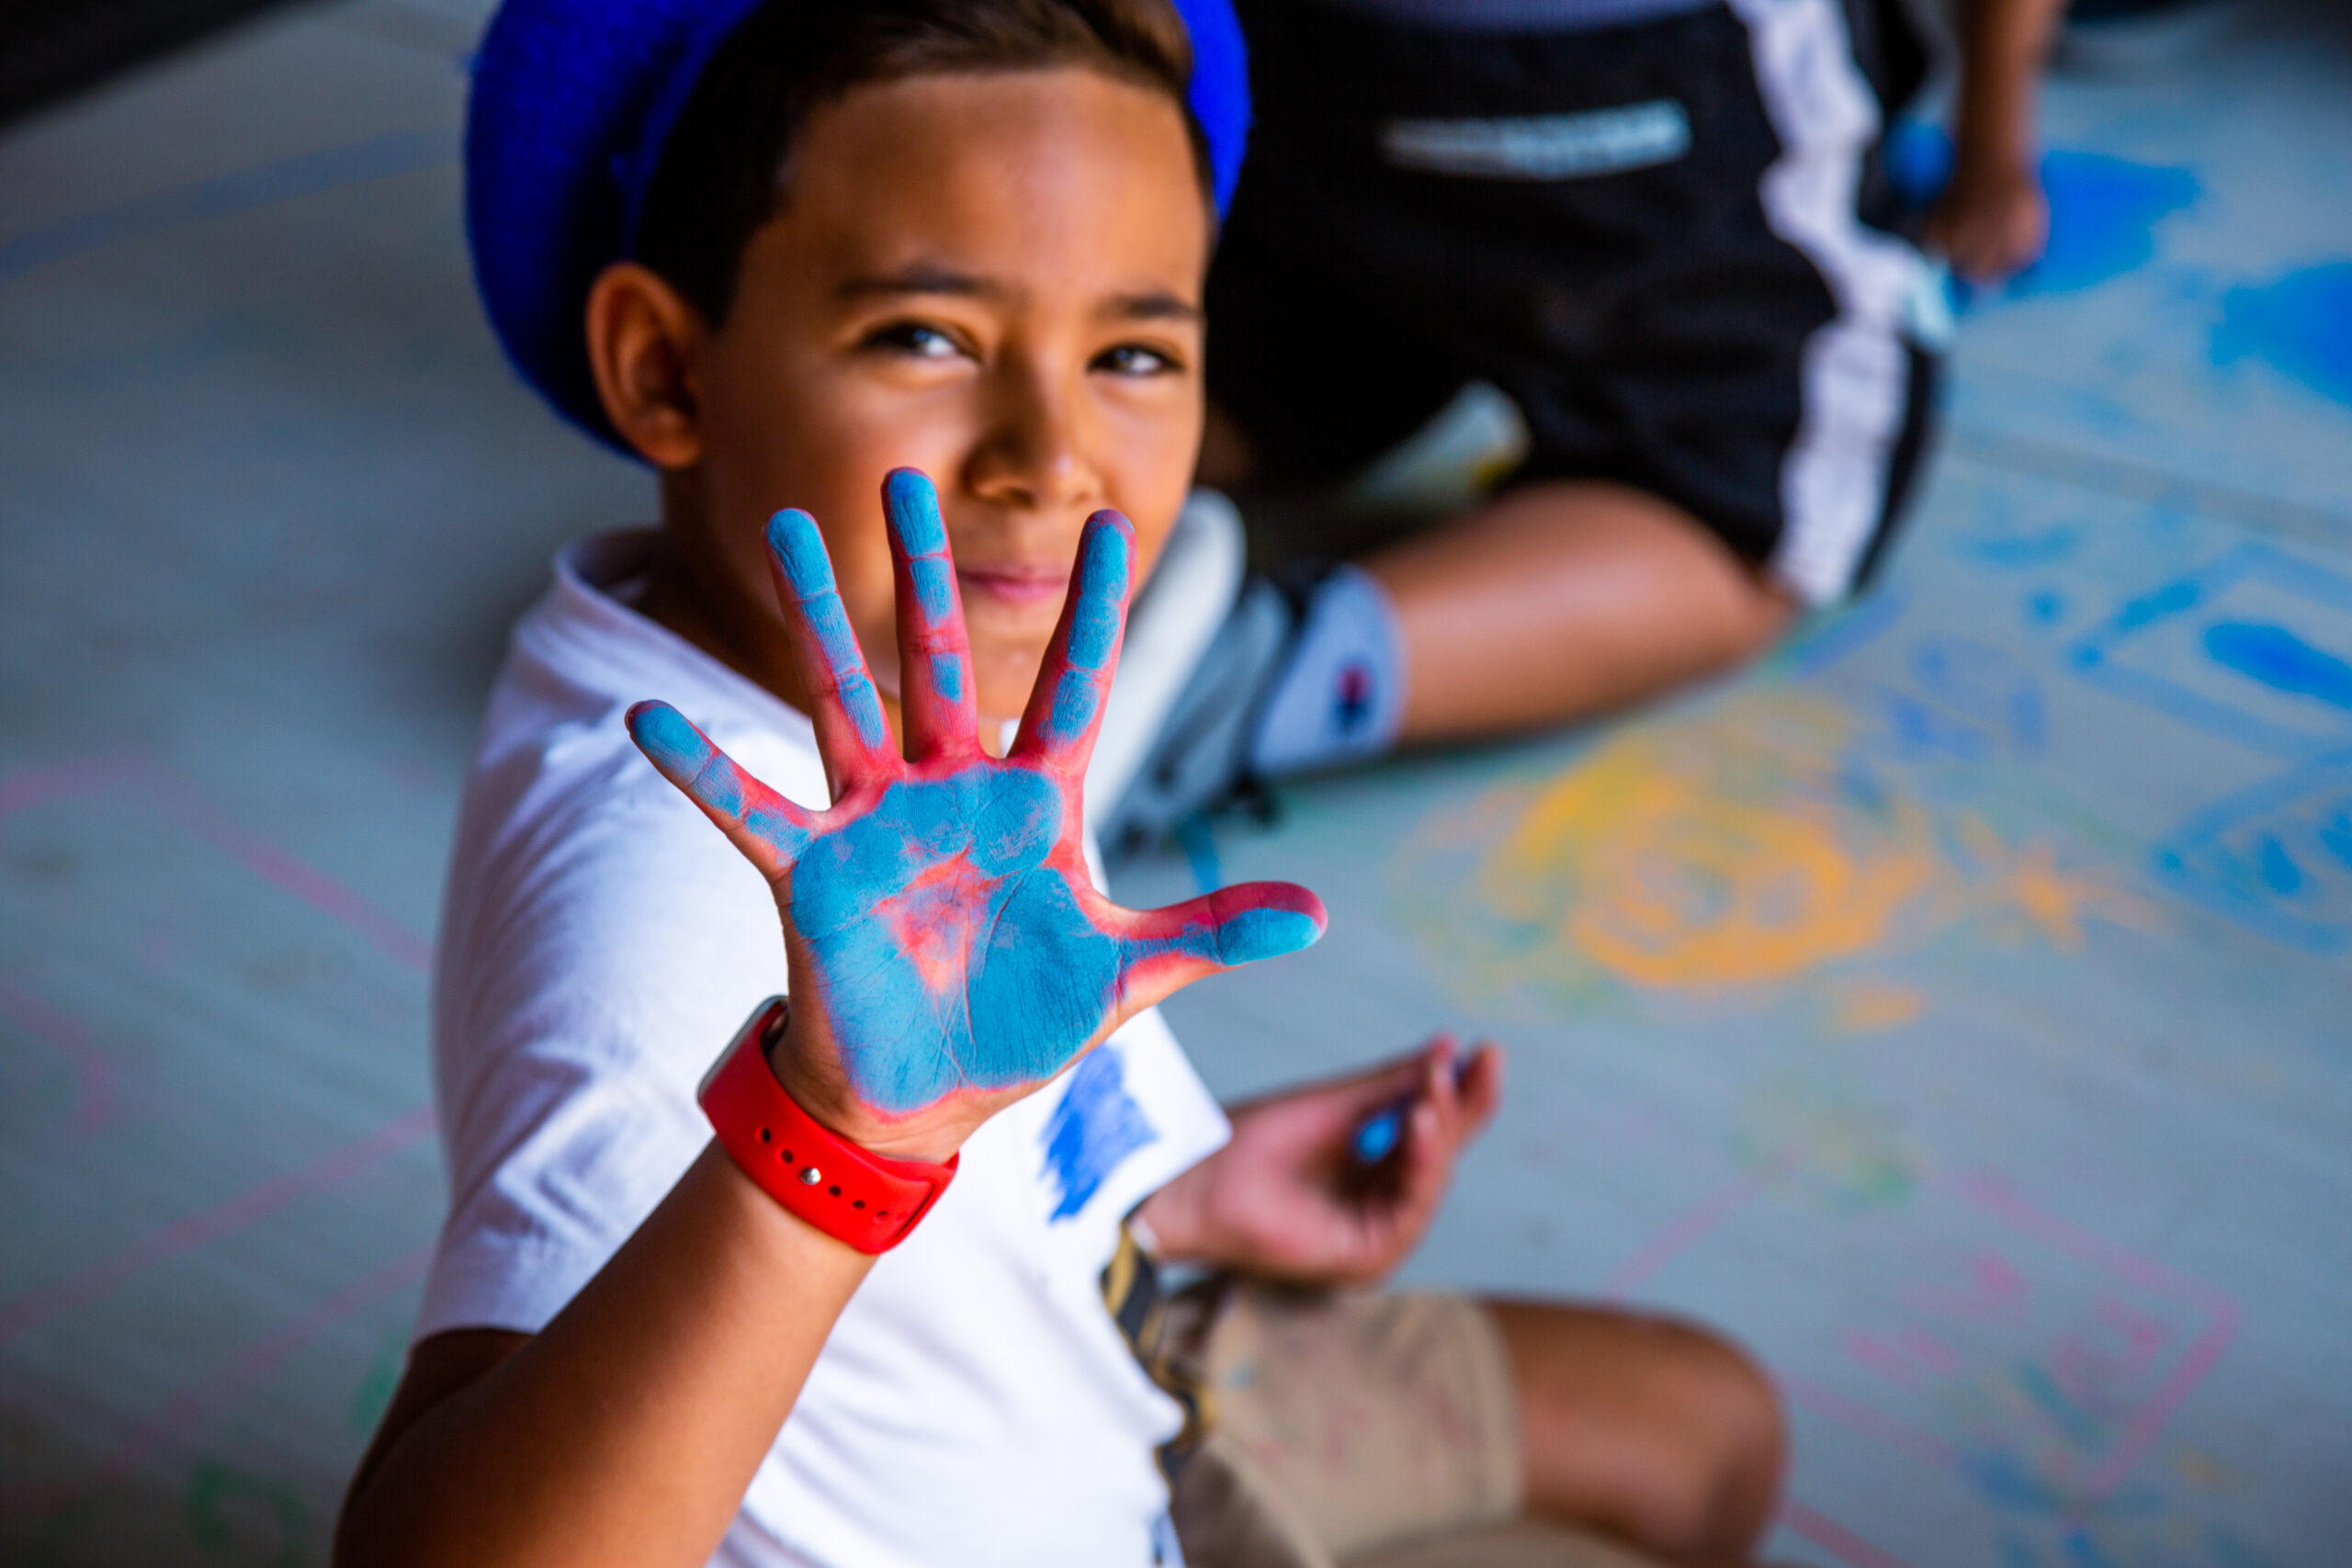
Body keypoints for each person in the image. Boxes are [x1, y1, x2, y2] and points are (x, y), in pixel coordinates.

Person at [334, 3, 1784, 1565]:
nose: (1054, 456)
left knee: (1703, 1428)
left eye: (1134, 353)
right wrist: (833, 1141)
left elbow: (951, 1125)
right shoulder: (662, 900)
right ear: (665, 369)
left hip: (1104, 1350)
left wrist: (1168, 1200)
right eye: (929, 337)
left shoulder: (902, 666)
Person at [1102, 0, 2067, 853]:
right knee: (1754, 505)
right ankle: (1193, 698)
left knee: (1259, 350)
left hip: (1281, 59)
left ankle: (1009, 516)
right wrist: (1993, 146)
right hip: (1621, 65)